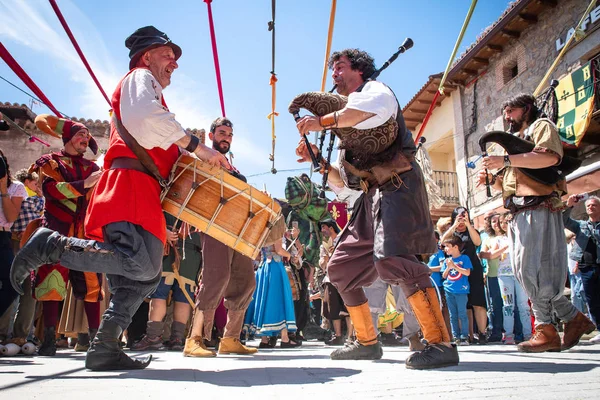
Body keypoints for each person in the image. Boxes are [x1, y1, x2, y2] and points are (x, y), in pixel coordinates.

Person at [10, 26, 229, 370]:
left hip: (143, 192)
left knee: (146, 275)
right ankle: (50, 245)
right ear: (146, 56)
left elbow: (159, 141)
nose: (174, 62)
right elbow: (146, 117)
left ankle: (106, 346)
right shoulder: (140, 78)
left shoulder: (151, 90)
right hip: (128, 186)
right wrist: (196, 147)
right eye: (167, 53)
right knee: (142, 266)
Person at [295, 48, 457, 368]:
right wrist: (320, 162)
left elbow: (367, 112)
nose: (334, 75)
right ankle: (367, 342)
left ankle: (440, 343)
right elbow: (346, 181)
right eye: (333, 70)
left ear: (360, 71)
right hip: (370, 199)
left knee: (393, 259)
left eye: (340, 68)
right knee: (341, 267)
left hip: (397, 187)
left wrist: (322, 121)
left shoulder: (375, 91)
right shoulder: (350, 129)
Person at [477, 93, 595, 352]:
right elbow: (511, 185)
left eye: (511, 111)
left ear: (526, 108)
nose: (507, 117)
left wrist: (505, 160)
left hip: (538, 208)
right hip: (520, 212)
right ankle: (569, 320)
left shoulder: (541, 126)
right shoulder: (516, 147)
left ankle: (548, 327)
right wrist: (493, 179)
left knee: (530, 269)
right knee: (528, 270)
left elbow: (550, 158)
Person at [25, 114, 104, 357]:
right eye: (81, 134)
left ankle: (95, 341)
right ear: (68, 137)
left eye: (87, 136)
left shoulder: (93, 168)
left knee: (92, 285)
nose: (85, 138)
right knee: (51, 283)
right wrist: (85, 185)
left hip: (84, 236)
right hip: (56, 232)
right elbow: (51, 191)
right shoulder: (50, 162)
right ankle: (49, 339)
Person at [183, 117, 257, 358]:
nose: (226, 137)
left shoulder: (234, 168)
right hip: (214, 225)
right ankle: (193, 339)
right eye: (222, 132)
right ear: (212, 135)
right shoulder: (204, 158)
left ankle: (231, 338)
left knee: (245, 280)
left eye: (229, 134)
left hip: (238, 230)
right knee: (216, 277)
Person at [132, 213, 202, 351]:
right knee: (182, 295)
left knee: (160, 294)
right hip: (190, 249)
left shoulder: (168, 191)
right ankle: (176, 338)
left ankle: (153, 337)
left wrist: (163, 230)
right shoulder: (205, 196)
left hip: (171, 245)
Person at [0, 169, 44, 346]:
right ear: (26, 181)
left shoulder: (21, 192)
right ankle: (14, 334)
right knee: (18, 288)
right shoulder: (28, 197)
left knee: (24, 288)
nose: (37, 186)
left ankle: (13, 334)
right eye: (34, 183)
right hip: (17, 243)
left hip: (21, 243)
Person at [244, 228, 299, 349]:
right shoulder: (276, 229)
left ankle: (264, 339)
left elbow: (257, 254)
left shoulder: (261, 229)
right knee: (279, 300)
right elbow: (279, 250)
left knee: (264, 300)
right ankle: (285, 338)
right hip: (275, 267)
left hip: (262, 268)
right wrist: (290, 254)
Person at [482, 213, 532, 345]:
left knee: (523, 305)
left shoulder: (520, 236)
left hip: (519, 274)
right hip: (504, 275)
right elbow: (491, 255)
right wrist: (504, 248)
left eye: (506, 222)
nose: (504, 225)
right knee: (508, 305)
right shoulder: (499, 240)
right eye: (502, 223)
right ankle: (509, 335)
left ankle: (528, 334)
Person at [441, 207, 487, 344]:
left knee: (478, 302)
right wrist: (454, 225)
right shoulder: (451, 234)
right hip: (457, 274)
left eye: (464, 217)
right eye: (459, 218)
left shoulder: (472, 231)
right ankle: (465, 335)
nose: (461, 221)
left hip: (472, 270)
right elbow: (442, 242)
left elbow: (478, 242)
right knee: (463, 306)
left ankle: (483, 333)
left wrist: (468, 224)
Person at [563, 194, 600, 344]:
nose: (590, 207)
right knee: (592, 300)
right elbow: (564, 220)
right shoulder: (581, 225)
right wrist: (569, 205)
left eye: (594, 205)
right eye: (588, 205)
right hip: (586, 267)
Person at [0, 150, 26, 317]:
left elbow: (10, 216)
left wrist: (3, 188)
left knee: (12, 284)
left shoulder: (16, 187)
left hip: (3, 237)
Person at [440, 236, 472, 345]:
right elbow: (444, 275)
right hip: (449, 289)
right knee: (452, 314)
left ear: (455, 247)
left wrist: (455, 266)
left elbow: (467, 272)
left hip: (461, 290)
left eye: (448, 246)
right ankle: (456, 336)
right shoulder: (446, 260)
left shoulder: (464, 259)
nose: (445, 249)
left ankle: (464, 336)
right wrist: (449, 267)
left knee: (462, 313)